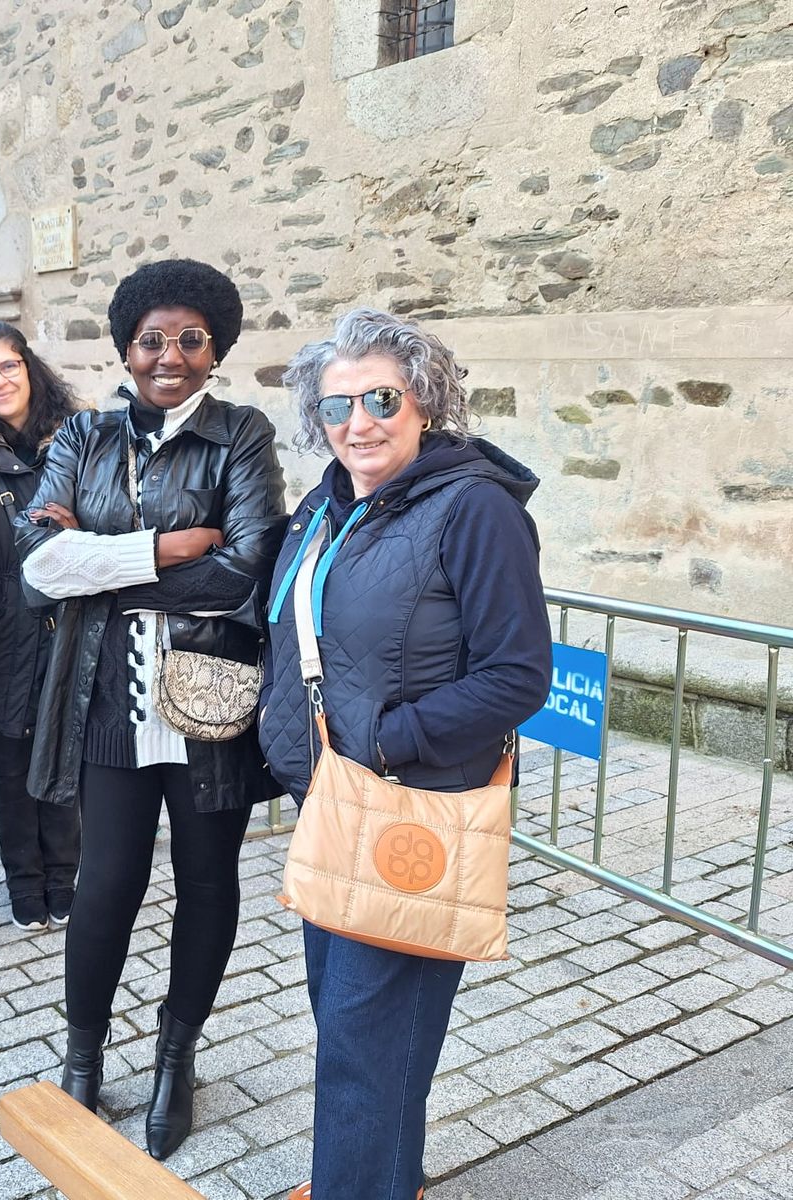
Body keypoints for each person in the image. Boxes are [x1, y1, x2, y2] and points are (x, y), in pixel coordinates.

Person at [260, 309, 553, 1200]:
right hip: (333, 802)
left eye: (381, 399)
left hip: (410, 812)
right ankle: (380, 1179)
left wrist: (391, 742)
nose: (359, 422)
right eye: (337, 405)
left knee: (367, 1039)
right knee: (355, 1028)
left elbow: (517, 675)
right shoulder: (326, 507)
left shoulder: (476, 511)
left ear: (425, 401)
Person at [15, 259, 287, 1159]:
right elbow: (37, 568)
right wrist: (166, 549)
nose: (170, 355)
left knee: (208, 883)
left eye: (190, 340)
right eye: (152, 339)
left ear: (216, 350)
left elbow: (245, 568)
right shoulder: (83, 436)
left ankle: (177, 1056)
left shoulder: (240, 434)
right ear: (127, 348)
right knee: (106, 885)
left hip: (210, 697)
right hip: (107, 697)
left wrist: (102, 567)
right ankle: (83, 1057)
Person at [0, 321, 85, 931]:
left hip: (66, 624)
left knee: (62, 760)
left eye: (9, 366)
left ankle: (65, 879)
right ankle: (24, 886)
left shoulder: (75, 440)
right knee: (9, 770)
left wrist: (83, 529)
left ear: (29, 369)